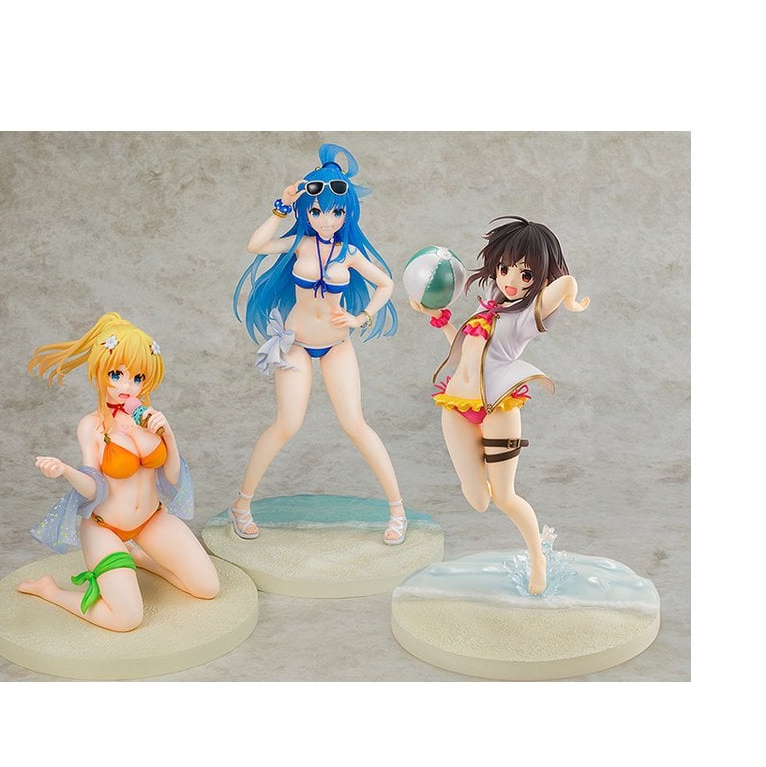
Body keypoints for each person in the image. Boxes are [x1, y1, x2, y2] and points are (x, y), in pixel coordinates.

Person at [230, 143, 407, 545]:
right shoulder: (300, 244)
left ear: (347, 213)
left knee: (355, 423)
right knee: (287, 424)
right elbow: (256, 245)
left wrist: (362, 317)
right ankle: (241, 504)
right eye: (317, 211)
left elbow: (386, 284)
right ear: (306, 212)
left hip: (337, 344)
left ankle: (398, 510)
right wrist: (281, 206)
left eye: (336, 212)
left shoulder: (351, 251)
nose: (326, 220)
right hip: (296, 343)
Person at [411, 217, 589, 593]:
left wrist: (570, 297)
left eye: (525, 275)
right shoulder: (487, 309)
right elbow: (464, 352)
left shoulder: (525, 318)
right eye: (504, 268)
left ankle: (537, 558)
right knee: (478, 499)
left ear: (539, 279)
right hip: (456, 405)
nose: (511, 280)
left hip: (497, 407)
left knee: (504, 496)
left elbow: (565, 283)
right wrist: (437, 318)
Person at [20, 312, 220, 631]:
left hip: (152, 519)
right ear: (102, 373)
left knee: (207, 588)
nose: (128, 386)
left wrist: (168, 435)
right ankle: (51, 591)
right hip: (106, 529)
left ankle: (140, 558)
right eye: (117, 374)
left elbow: (172, 478)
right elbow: (92, 488)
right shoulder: (92, 426)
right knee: (127, 618)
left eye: (138, 378)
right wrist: (66, 470)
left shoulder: (149, 418)